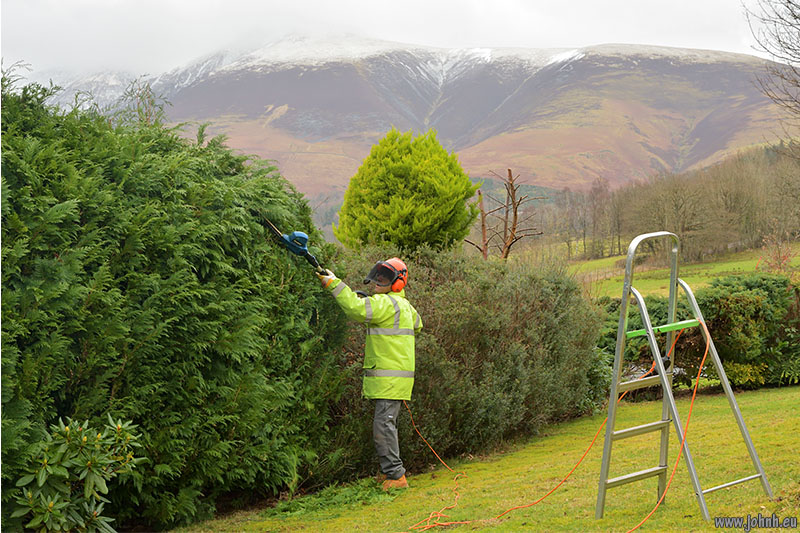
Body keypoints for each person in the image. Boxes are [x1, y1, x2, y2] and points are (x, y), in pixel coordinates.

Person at [318, 258, 422, 490]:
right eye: (379, 275)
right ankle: (390, 472)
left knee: (383, 427)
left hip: (389, 380)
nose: (378, 280)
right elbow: (417, 323)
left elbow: (355, 309)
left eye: (385, 277)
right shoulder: (404, 306)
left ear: (397, 283)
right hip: (396, 381)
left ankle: (396, 476)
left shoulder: (385, 304)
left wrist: (333, 283)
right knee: (386, 425)